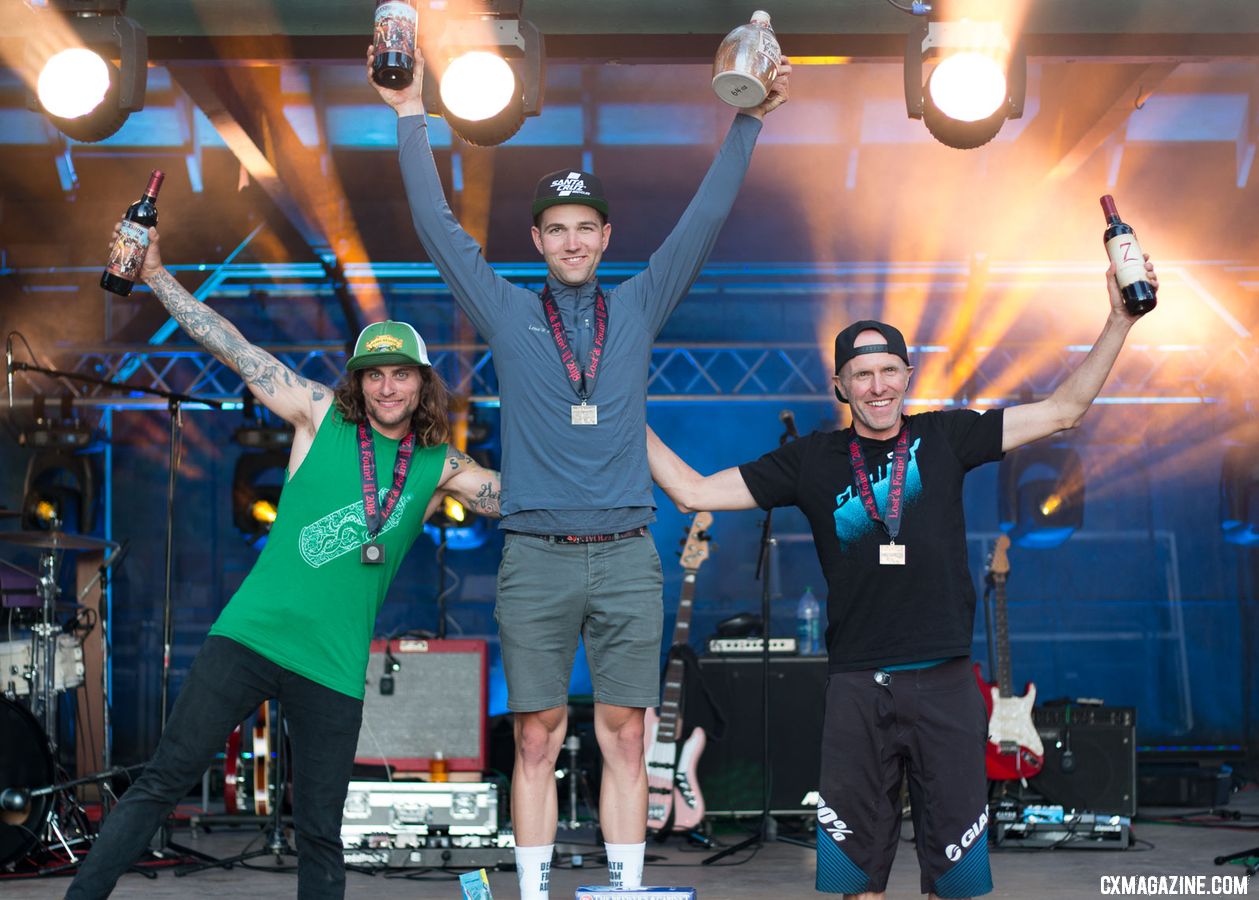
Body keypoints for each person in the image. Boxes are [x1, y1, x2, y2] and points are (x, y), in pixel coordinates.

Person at [370, 45, 790, 899]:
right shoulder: (508, 310)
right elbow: (435, 229)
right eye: (555, 228)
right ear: (537, 240)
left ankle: (626, 890)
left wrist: (749, 120)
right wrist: (411, 111)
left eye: (584, 228)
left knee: (627, 738)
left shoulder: (637, 303)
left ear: (605, 239)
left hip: (631, 554)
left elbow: (703, 221)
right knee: (533, 737)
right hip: (535, 556)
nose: (571, 241)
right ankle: (530, 892)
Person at [647, 257, 1158, 900]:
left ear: (908, 375)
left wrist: (1119, 319)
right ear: (840, 386)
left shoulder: (947, 436)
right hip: (858, 686)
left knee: (959, 879)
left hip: (945, 683)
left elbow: (1064, 410)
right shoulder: (810, 461)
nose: (878, 385)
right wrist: (615, 408)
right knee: (856, 880)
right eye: (862, 374)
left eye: (890, 370)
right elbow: (691, 490)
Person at [66, 225, 501, 900]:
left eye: (402, 374)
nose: (388, 388)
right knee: (162, 780)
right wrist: (154, 274)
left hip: (331, 666)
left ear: (422, 384)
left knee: (321, 829)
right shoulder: (319, 414)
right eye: (375, 374)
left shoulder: (440, 466)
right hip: (249, 637)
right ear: (359, 381)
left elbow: (518, 501)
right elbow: (234, 348)